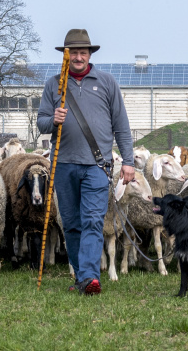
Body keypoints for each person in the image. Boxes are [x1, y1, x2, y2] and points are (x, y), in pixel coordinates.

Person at [37, 29, 135, 295]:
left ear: (90, 54)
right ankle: (82, 277)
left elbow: (122, 126)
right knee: (71, 223)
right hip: (64, 164)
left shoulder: (106, 82)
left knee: (92, 220)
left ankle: (91, 277)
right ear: (65, 56)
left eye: (83, 52)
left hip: (97, 165)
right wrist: (53, 119)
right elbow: (41, 123)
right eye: (73, 52)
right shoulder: (54, 84)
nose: (78, 57)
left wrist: (129, 161)